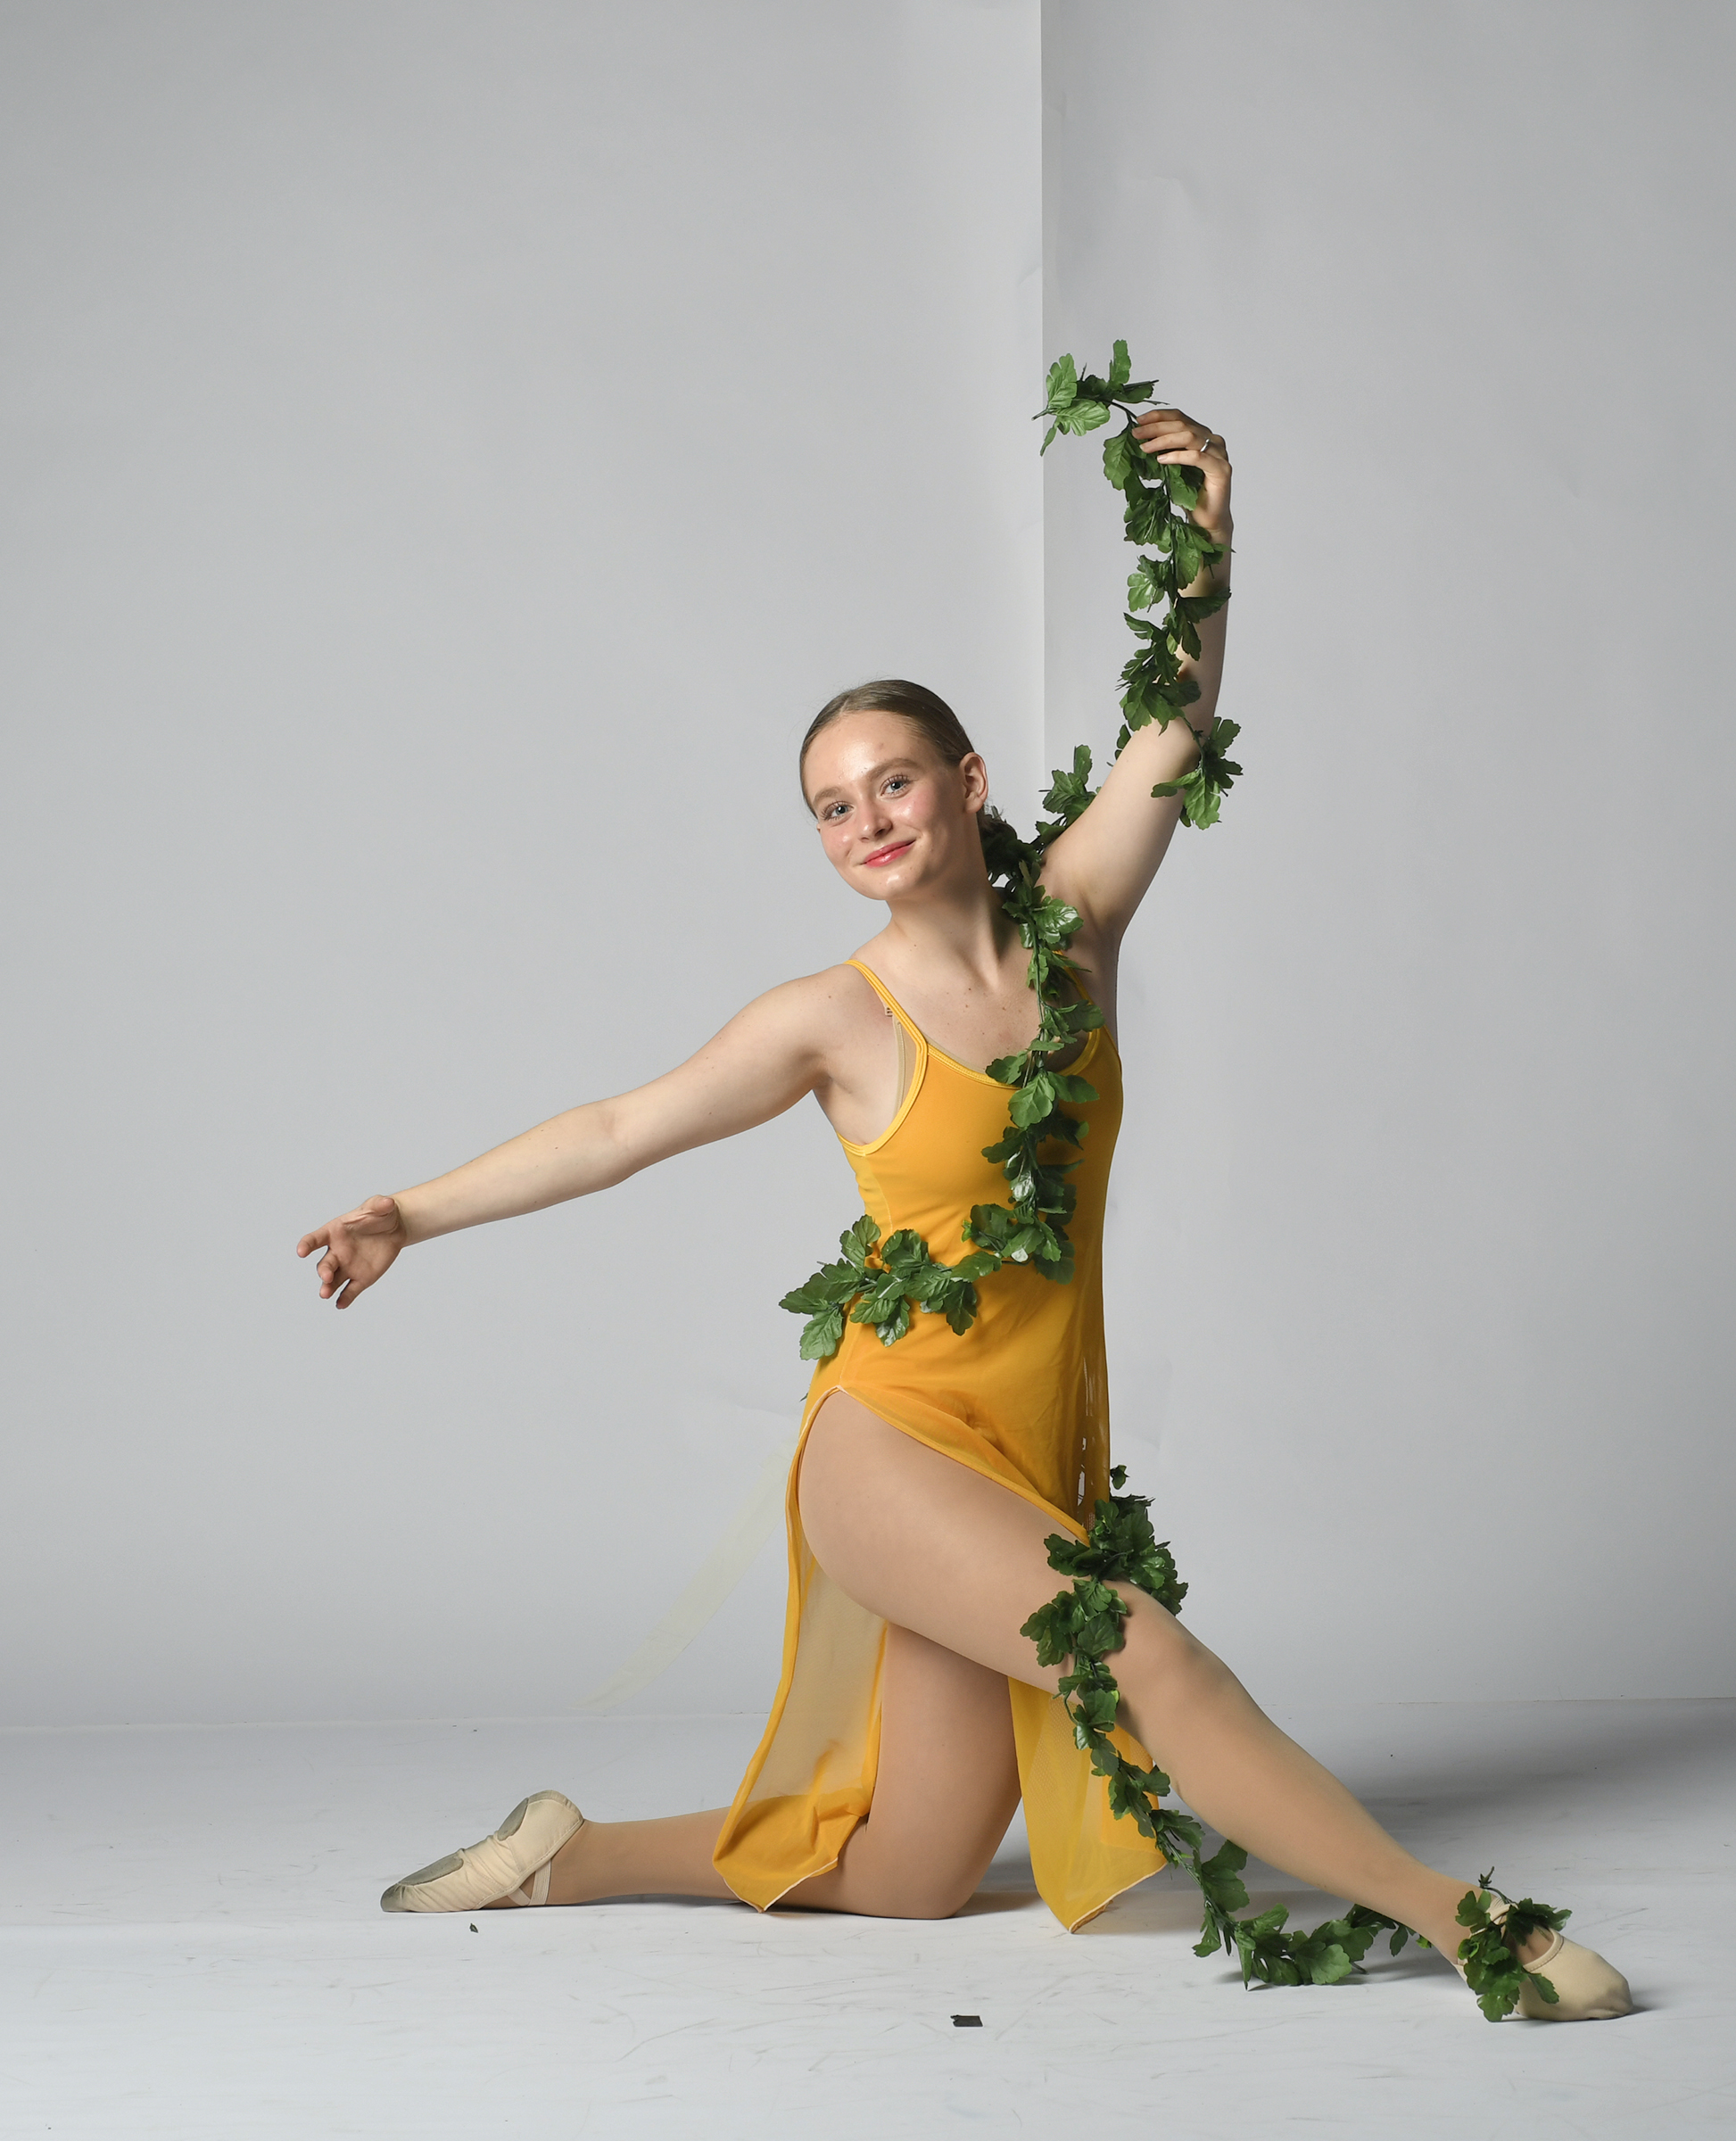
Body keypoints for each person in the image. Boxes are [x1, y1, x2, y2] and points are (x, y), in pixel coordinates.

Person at [296, 405, 1631, 2020]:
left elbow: (1174, 729)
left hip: (1026, 1448)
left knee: (918, 1871)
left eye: (893, 782)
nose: (866, 821)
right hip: (892, 1450)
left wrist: (1204, 544)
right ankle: (1467, 1925)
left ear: (967, 781)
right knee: (1146, 1655)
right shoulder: (828, 1019)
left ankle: (568, 1855)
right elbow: (620, 1129)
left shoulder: (1078, 924)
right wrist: (410, 1214)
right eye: (831, 806)